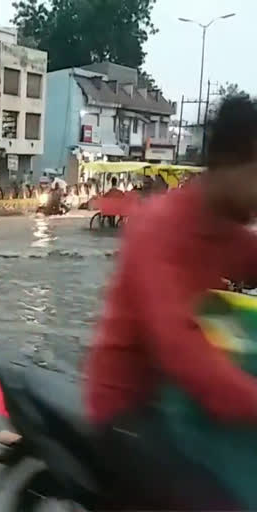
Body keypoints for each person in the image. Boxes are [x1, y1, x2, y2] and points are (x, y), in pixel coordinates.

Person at [84, 95, 257, 509]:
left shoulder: (220, 226)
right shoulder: (160, 229)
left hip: (181, 403)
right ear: (232, 165)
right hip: (131, 407)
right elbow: (181, 352)